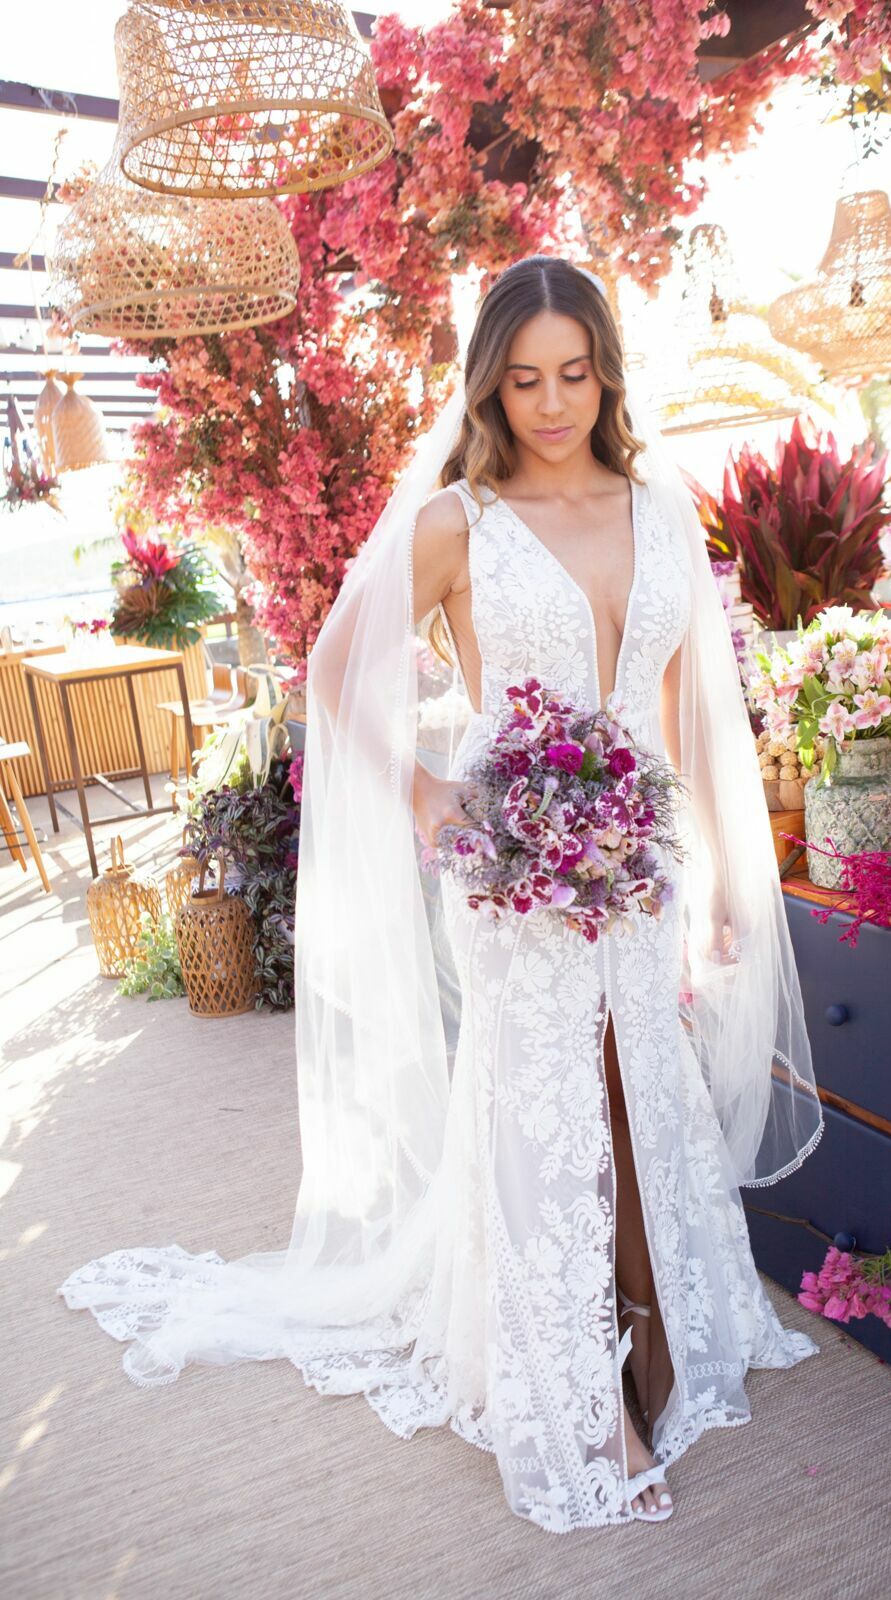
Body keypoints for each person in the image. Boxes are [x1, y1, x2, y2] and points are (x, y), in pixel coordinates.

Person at [58, 255, 824, 1535]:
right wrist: (425, 795)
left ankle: (660, 1332)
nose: (550, 400)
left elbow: (688, 696)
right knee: (539, 1104)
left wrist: (717, 878)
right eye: (522, 378)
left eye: (573, 372)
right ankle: (578, 1403)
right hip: (515, 854)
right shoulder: (455, 521)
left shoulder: (656, 506)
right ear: (489, 381)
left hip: (636, 849)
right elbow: (337, 669)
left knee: (638, 1076)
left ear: (604, 370)